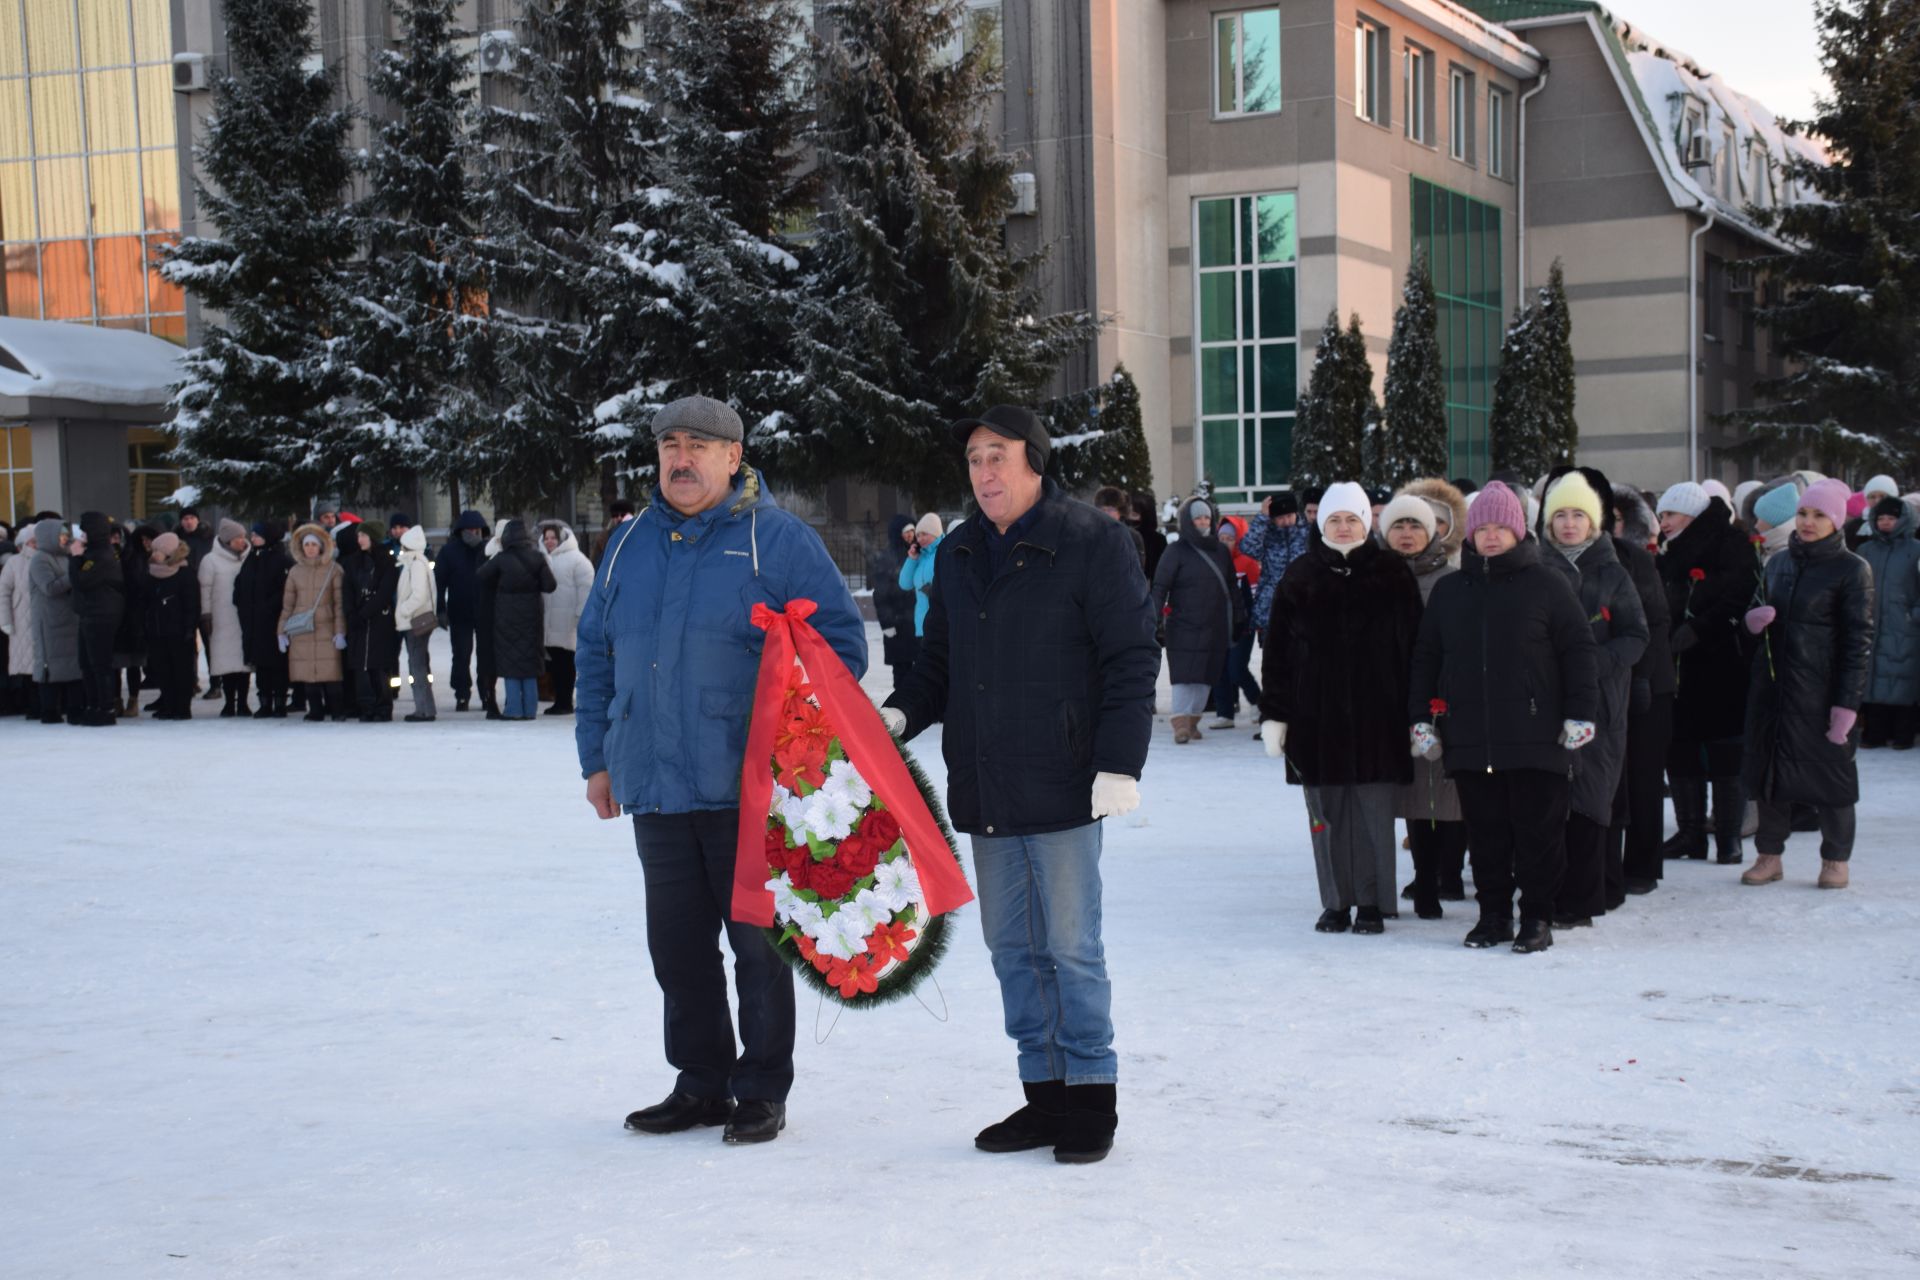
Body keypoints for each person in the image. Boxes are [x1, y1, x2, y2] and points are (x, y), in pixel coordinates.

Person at [576, 394, 865, 1147]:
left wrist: (789, 710)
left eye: (699, 445)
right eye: (670, 443)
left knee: (758, 948)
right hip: (654, 784)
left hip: (750, 791)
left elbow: (841, 648)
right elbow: (596, 657)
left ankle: (761, 1086)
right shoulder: (629, 543)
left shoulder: (778, 542)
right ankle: (700, 1081)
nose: (681, 457)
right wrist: (597, 759)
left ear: (734, 457)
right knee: (676, 947)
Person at [880, 403, 1155, 1165]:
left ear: (1035, 460)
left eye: (997, 456)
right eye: (973, 460)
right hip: (987, 782)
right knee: (1012, 949)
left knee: (1070, 946)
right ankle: (1044, 1095)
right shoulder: (960, 553)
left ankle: (1091, 1096)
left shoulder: (1093, 542)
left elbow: (1132, 657)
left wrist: (1119, 762)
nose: (984, 473)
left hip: (1068, 783)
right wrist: (900, 713)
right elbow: (939, 662)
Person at [1407, 482, 1600, 954]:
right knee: (1486, 832)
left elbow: (1578, 652)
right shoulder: (1451, 591)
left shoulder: (1549, 584)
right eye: (1483, 528)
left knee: (1539, 833)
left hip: (1537, 735)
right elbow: (1427, 657)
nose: (1491, 536)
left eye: (1501, 527)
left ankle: (1537, 916)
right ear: (1470, 534)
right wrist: (1422, 719)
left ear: (1518, 531)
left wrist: (1581, 714)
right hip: (1471, 735)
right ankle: (1492, 915)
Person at [1263, 482, 1423, 934]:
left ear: (1367, 522)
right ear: (1321, 522)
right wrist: (1276, 714)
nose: (1344, 527)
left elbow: (1416, 649)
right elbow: (1276, 653)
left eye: (1352, 519)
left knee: (1373, 817)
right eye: (1335, 519)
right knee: (1326, 816)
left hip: (1381, 718)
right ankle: (1336, 902)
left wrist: (1417, 716)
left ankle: (1371, 903)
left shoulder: (1392, 573)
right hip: (1317, 719)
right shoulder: (1300, 575)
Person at [1741, 479, 1874, 890]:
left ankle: (1835, 858)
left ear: (1836, 521)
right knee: (1771, 775)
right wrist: (1753, 619)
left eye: (1819, 515)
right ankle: (1769, 856)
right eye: (1803, 514)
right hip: (1776, 690)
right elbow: (1756, 607)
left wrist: (1846, 705)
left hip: (1822, 694)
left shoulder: (1853, 569)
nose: (1809, 522)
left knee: (1832, 778)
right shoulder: (1778, 562)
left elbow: (1859, 641)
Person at [1537, 471, 1649, 928]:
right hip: (1545, 701)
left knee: (1591, 798)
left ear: (1594, 522)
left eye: (1577, 515)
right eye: (1560, 514)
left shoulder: (1613, 571)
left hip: (1602, 703)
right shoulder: (1535, 568)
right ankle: (1548, 893)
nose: (1568, 524)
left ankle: (1583, 900)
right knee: (1548, 801)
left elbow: (1636, 636)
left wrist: (1594, 663)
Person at [1656, 482, 1755, 866]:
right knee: (1680, 745)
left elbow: (1740, 593)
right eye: (1662, 515)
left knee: (1725, 748)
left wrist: (1700, 629)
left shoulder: (1730, 543)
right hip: (1676, 662)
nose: (1664, 522)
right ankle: (1690, 832)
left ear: (1692, 515)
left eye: (1671, 515)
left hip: (1721, 661)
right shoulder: (1669, 551)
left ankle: (1728, 835)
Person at [1382, 484, 1469, 915]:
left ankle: (1448, 873)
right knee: (1413, 794)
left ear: (1433, 531)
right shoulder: (1376, 577)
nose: (1407, 533)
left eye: (1415, 524)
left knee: (1447, 788)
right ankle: (1425, 877)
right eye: (1398, 524)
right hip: (1389, 697)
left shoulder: (1452, 579)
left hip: (1440, 695)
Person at [1608, 482, 1676, 898]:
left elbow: (1654, 625)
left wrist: (1644, 679)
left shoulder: (1636, 560)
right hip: (1609, 683)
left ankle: (1643, 863)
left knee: (1643, 776)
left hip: (1648, 682)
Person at [1151, 494, 1243, 744]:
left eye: (1206, 517)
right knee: (1184, 674)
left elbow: (1232, 587)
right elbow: (1160, 587)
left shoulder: (1221, 551)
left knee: (1206, 674)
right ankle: (1180, 722)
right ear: (1188, 521)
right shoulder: (1176, 551)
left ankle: (1192, 720)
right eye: (1198, 517)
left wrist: (1239, 614)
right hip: (1183, 624)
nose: (1203, 521)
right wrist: (1153, 616)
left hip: (1215, 625)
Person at [1856, 496, 1920, 749]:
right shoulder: (1866, 550)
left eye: (1891, 518)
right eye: (1881, 518)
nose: (1885, 523)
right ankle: (1874, 734)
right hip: (1872, 624)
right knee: (1872, 681)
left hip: (1905, 627)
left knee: (1904, 682)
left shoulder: (1915, 550)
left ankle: (1903, 735)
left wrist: (1914, 615)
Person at [476, 520, 555, 719]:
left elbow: (481, 576)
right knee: (529, 665)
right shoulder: (537, 558)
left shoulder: (502, 559)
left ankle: (513, 709)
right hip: (532, 617)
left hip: (506, 617)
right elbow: (550, 585)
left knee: (511, 664)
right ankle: (529, 710)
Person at [279, 524, 346, 722]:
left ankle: (337, 710)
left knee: (331, 672)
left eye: (313, 544)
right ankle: (315, 710)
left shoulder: (334, 570)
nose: (310, 548)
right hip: (302, 628)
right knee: (308, 673)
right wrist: (281, 631)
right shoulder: (295, 572)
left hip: (326, 627)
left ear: (321, 547)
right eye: (306, 544)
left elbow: (339, 604)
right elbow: (288, 604)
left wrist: (340, 631)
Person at [69, 512, 126, 726]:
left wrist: (75, 558)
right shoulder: (95, 552)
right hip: (90, 612)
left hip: (101, 614)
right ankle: (93, 705)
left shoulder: (101, 554)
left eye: (84, 531)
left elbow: (82, 581)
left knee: (99, 663)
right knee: (86, 662)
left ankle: (105, 708)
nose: (81, 536)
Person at [1208, 515, 1262, 728]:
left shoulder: (1247, 564)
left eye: (1230, 537)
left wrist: (1252, 623)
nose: (1225, 541)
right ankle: (1225, 713)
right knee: (1219, 669)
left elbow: (1256, 597)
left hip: (1243, 626)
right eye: (1221, 537)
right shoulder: (1213, 561)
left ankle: (1259, 702)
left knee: (1236, 668)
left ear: (1238, 539)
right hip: (1218, 625)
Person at [435, 510, 491, 713]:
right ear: (461, 531)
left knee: (485, 656)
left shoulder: (487, 550)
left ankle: (486, 693)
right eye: (469, 530)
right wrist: (440, 609)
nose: (473, 534)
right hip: (460, 611)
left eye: (477, 530)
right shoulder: (449, 551)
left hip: (484, 611)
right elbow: (439, 582)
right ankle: (461, 694)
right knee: (461, 656)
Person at [341, 524, 398, 722]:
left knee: (379, 666)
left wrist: (364, 613)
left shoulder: (387, 561)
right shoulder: (353, 562)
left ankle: (383, 706)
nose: (360, 540)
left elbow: (384, 592)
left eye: (364, 535)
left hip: (379, 620)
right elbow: (347, 589)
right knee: (360, 666)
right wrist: (351, 613)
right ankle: (366, 705)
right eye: (359, 536)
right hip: (358, 621)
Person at [538, 519, 595, 715]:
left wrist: (580, 616)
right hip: (548, 623)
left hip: (567, 622)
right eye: (547, 538)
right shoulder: (542, 558)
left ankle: (565, 701)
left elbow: (586, 590)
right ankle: (559, 700)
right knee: (553, 664)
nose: (550, 541)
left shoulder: (577, 560)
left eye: (553, 537)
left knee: (566, 664)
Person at [236, 522, 292, 717]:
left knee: (277, 663)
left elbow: (284, 589)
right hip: (253, 621)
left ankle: (279, 702)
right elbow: (241, 583)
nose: (253, 539)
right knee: (261, 664)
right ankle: (265, 701)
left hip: (273, 620)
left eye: (257, 535)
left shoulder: (280, 559)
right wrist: (241, 602)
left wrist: (268, 606)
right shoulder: (252, 558)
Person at [198, 519, 252, 717]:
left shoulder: (249, 557)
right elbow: (205, 590)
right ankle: (229, 703)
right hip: (221, 618)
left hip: (245, 617)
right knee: (227, 664)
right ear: (227, 540)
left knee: (244, 664)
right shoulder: (210, 561)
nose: (242, 541)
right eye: (237, 537)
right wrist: (206, 614)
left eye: (243, 536)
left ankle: (244, 704)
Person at [27, 519, 79, 724]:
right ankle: (49, 710)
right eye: (61, 535)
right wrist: (73, 574)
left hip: (70, 618)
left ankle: (74, 707)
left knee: (73, 665)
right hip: (50, 621)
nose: (65, 539)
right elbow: (49, 587)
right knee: (51, 666)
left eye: (66, 535)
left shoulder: (65, 557)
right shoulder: (40, 559)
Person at [144, 532, 200, 719]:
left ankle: (182, 708)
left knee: (182, 671)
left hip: (179, 631)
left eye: (157, 551)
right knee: (163, 669)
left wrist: (189, 628)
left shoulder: (185, 573)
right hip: (157, 630)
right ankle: (168, 704)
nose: (153, 554)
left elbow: (192, 604)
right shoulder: (152, 574)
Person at [392, 523, 439, 722]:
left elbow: (418, 595)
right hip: (416, 620)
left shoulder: (416, 564)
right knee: (418, 664)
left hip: (415, 622)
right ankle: (426, 707)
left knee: (417, 666)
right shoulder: (416, 562)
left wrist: (403, 610)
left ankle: (424, 709)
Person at [867, 514, 920, 686]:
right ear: (897, 534)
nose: (910, 535)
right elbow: (880, 595)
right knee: (902, 673)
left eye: (913, 530)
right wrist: (887, 624)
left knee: (922, 672)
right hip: (898, 624)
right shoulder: (887, 558)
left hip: (917, 623)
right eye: (906, 532)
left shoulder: (920, 554)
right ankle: (901, 708)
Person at [115, 525, 154, 717]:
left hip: (132, 615)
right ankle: (121, 699)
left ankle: (131, 699)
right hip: (120, 615)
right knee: (119, 662)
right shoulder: (128, 557)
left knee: (132, 662)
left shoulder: (134, 557)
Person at [898, 513, 943, 638]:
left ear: (935, 533)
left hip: (942, 625)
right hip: (922, 625)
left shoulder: (944, 552)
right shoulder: (920, 556)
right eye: (918, 535)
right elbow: (904, 584)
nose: (920, 539)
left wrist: (935, 590)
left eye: (924, 534)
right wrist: (912, 559)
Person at [1094, 485, 1148, 572]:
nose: (1106, 513)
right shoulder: (1091, 534)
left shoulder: (1132, 536)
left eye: (1110, 509)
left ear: (1120, 511)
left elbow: (1138, 568)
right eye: (1103, 509)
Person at [589, 498, 637, 567]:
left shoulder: (637, 534)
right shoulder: (604, 537)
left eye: (623, 515)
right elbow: (596, 563)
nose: (619, 518)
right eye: (615, 515)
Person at [1131, 491, 1167, 579]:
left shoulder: (1158, 541)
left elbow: (1160, 573)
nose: (1129, 518)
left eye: (1134, 514)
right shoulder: (1121, 535)